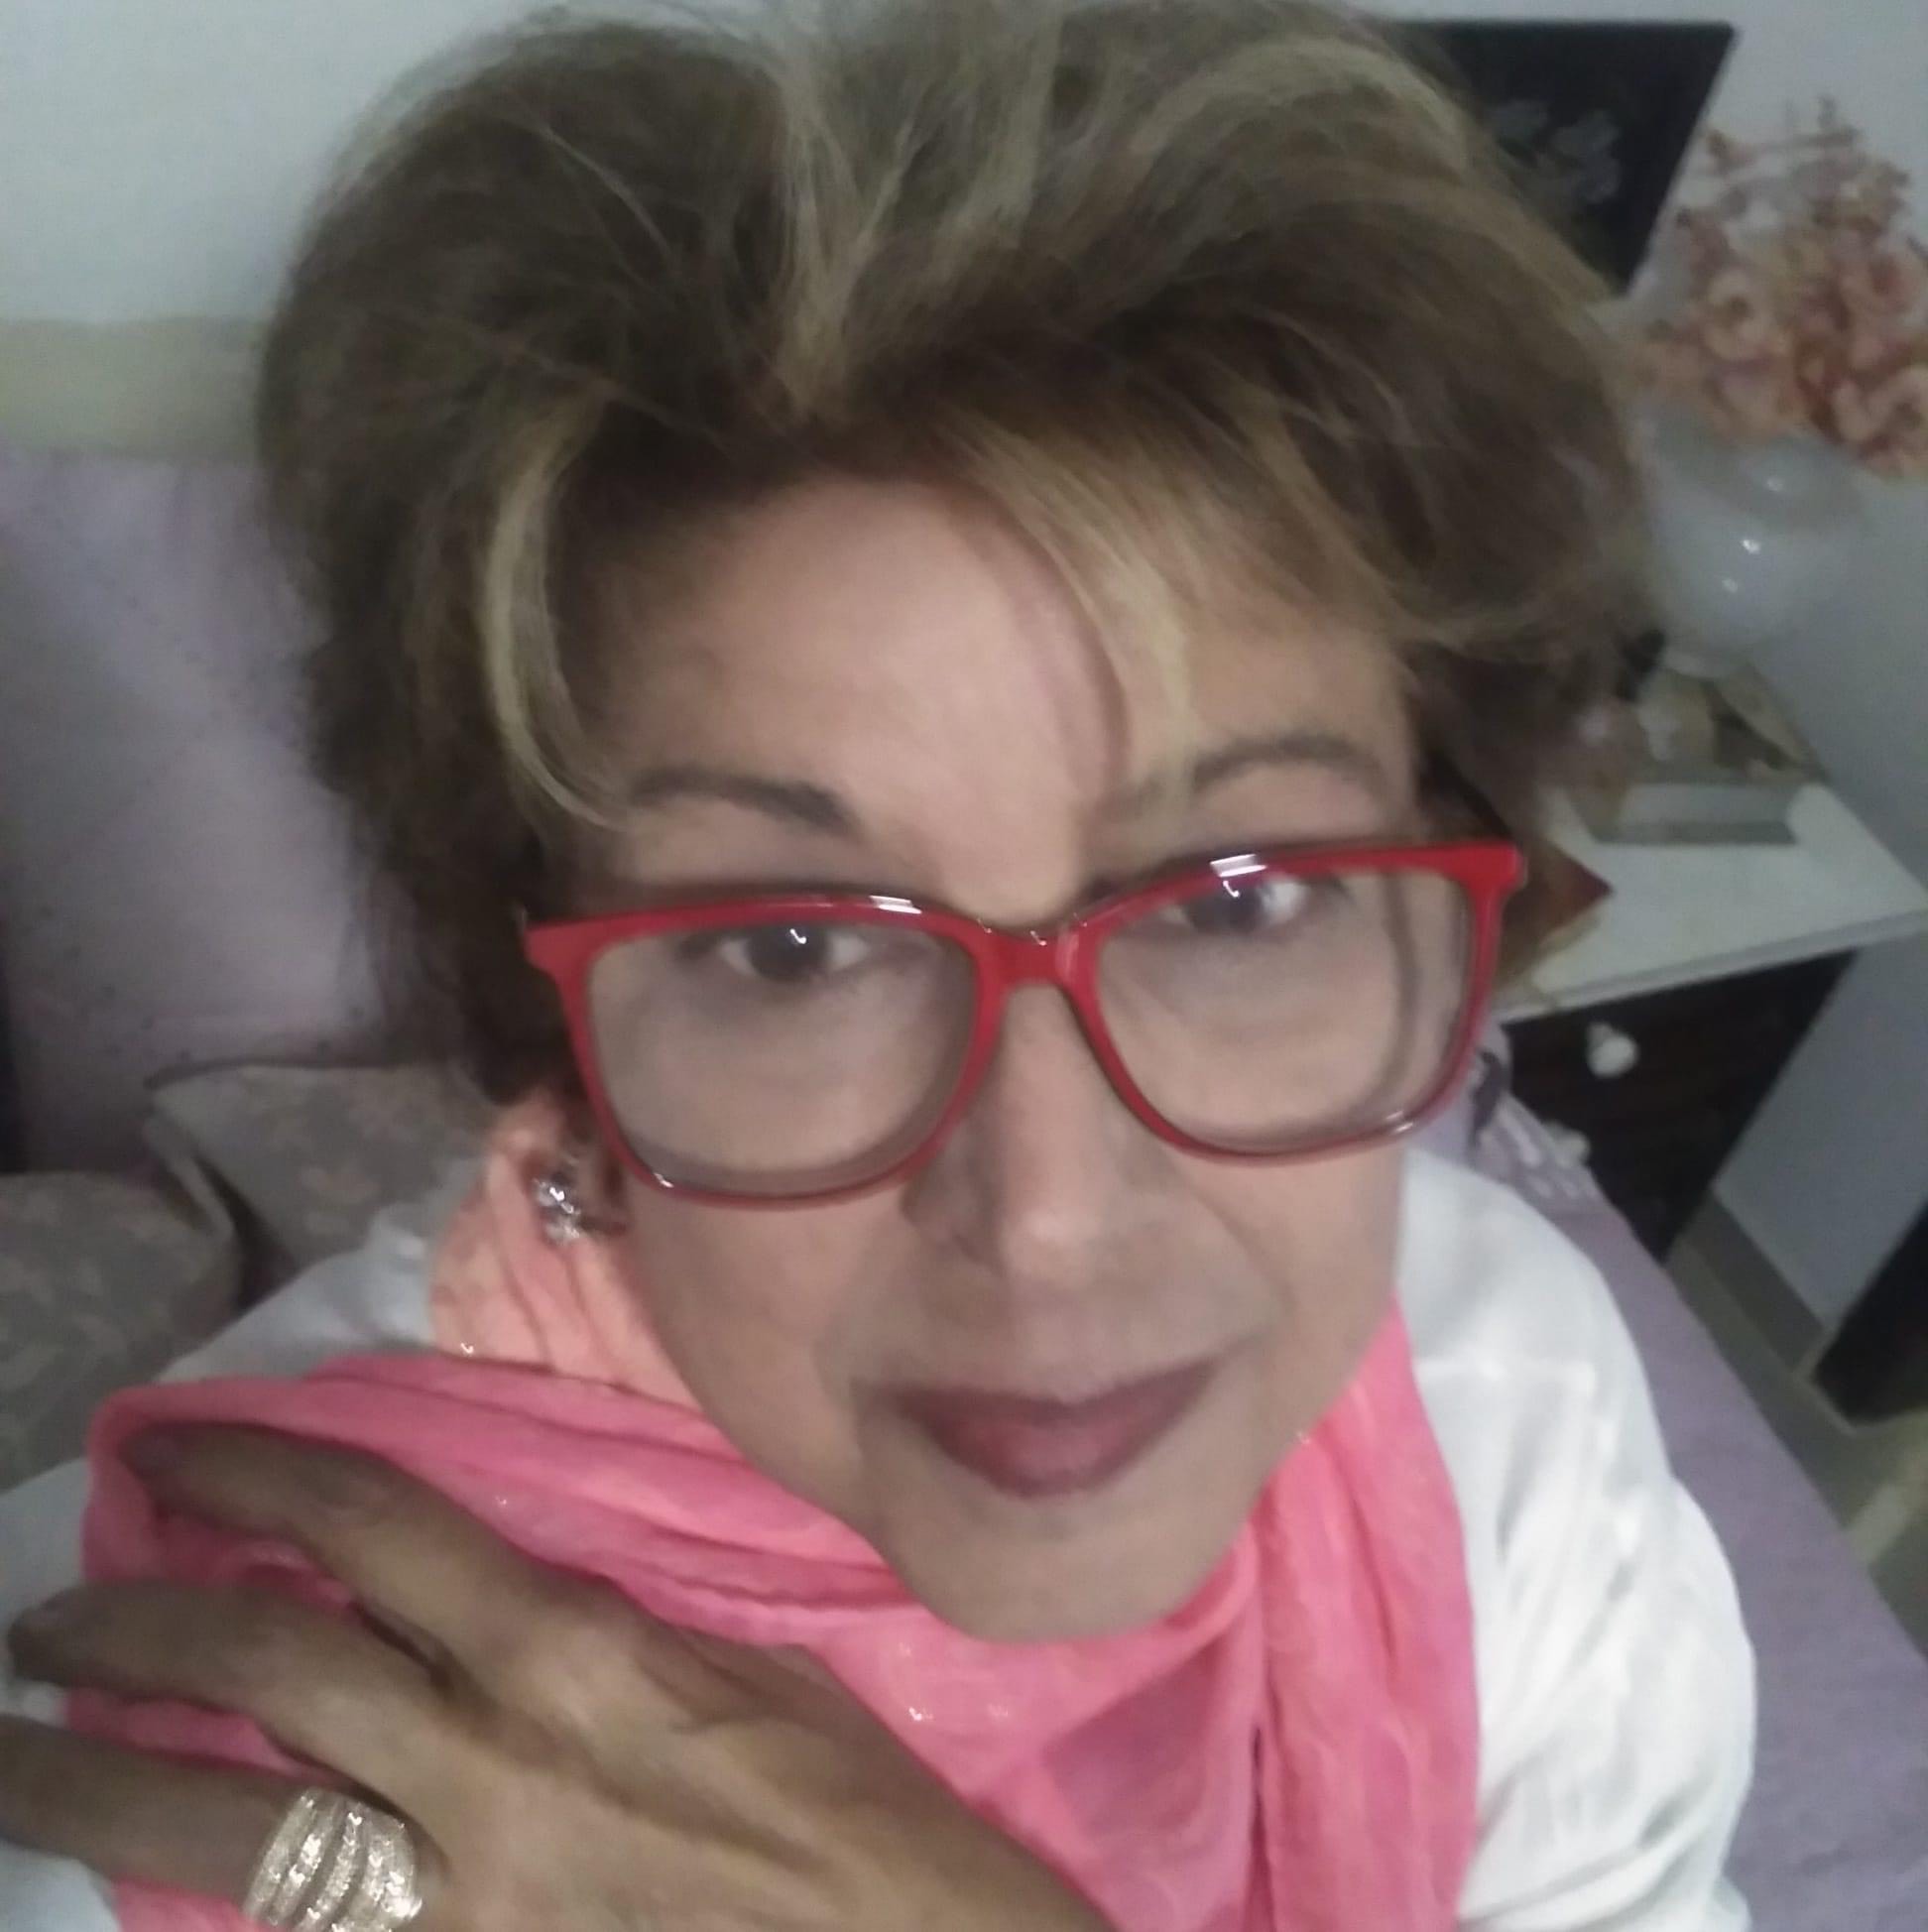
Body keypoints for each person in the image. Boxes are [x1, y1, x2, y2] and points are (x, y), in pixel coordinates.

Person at [0, 2, 1754, 1927]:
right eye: (793, 946)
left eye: (1236, 901)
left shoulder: (1505, 1408)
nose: (1050, 1220)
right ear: (549, 1010)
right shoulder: (183, 1735)